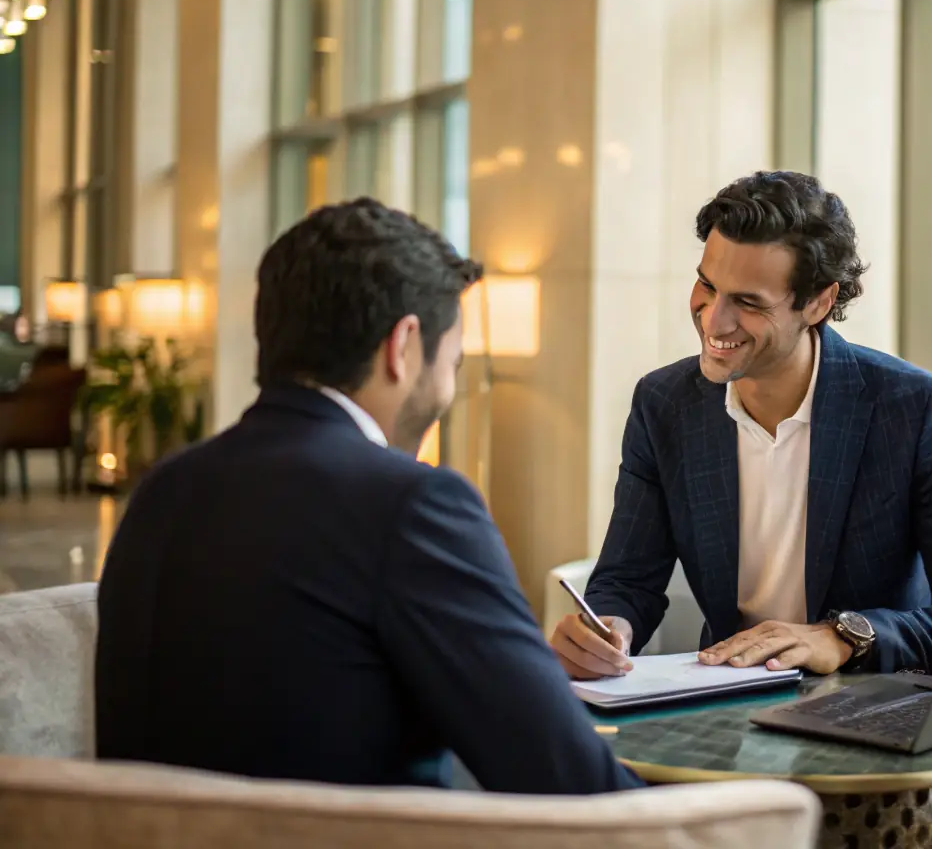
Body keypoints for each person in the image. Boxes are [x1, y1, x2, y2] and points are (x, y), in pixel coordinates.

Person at [97, 198, 640, 796]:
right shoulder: (412, 504)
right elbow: (568, 780)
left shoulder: (163, 489)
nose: (448, 388)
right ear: (403, 345)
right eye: (452, 362)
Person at [549, 171, 932, 808]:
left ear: (819, 302)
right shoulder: (664, 404)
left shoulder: (915, 410)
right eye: (707, 284)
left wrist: (843, 636)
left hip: (874, 710)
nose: (713, 319)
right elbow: (628, 579)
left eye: (748, 302)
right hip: (729, 713)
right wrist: (605, 626)